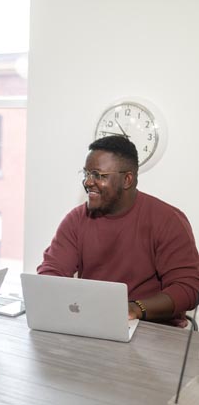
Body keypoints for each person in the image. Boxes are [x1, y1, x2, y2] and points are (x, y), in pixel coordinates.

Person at [37, 135, 199, 327]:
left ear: (127, 179)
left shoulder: (168, 220)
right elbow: (51, 272)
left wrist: (135, 309)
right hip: (93, 324)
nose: (88, 182)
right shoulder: (76, 219)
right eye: (86, 174)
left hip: (154, 331)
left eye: (98, 175)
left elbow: (189, 288)